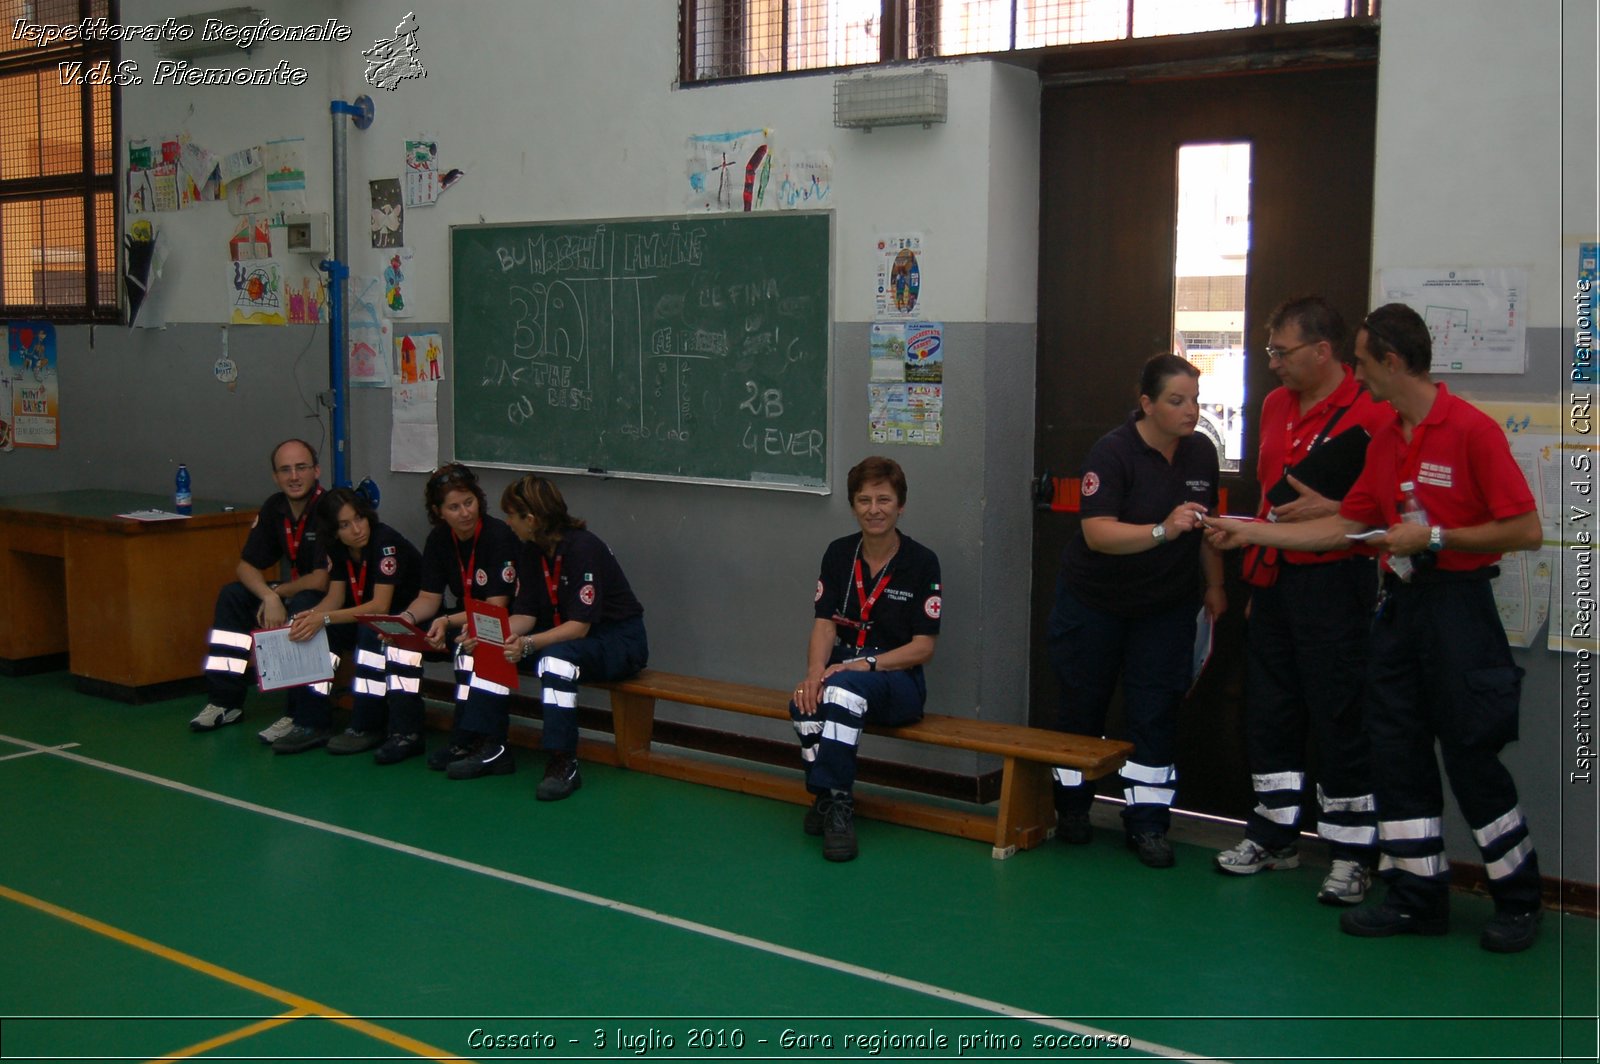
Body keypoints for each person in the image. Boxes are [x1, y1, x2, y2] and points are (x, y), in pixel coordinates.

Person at [1204, 303, 1544, 953]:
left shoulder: (1469, 430)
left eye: (1361, 362)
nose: (1355, 375)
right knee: (1398, 750)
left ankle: (1519, 900)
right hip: (1400, 608)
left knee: (1471, 757)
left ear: (1391, 362)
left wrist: (1436, 535)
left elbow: (1524, 529)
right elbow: (1344, 526)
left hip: (1460, 609)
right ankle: (1418, 896)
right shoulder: (1388, 435)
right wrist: (1250, 532)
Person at [1212, 297, 1390, 907]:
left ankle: (1350, 855)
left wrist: (1341, 511)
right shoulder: (1274, 405)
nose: (1274, 364)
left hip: (1338, 582)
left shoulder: (1373, 410)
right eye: (1269, 351)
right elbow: (1270, 495)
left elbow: (1390, 509)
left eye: (1282, 352)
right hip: (1272, 576)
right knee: (1270, 711)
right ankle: (1273, 836)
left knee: (1340, 718)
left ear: (1323, 351)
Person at [1047, 353, 1226, 869]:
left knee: (1154, 713)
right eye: (1177, 400)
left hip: (1165, 608)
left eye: (1195, 399)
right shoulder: (1112, 453)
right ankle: (1073, 810)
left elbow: (1206, 526)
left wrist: (1215, 584)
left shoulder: (1201, 455)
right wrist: (1161, 530)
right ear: (1146, 404)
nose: (1190, 410)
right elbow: (1097, 534)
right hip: (1095, 604)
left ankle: (1147, 824)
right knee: (1083, 706)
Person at [789, 456, 942, 862]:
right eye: (864, 500)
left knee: (838, 693)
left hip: (897, 681)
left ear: (901, 505)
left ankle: (838, 804)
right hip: (844, 670)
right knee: (804, 701)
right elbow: (824, 624)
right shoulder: (839, 554)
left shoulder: (921, 562)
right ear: (854, 506)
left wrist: (866, 665)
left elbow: (924, 647)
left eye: (884, 500)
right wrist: (813, 674)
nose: (874, 509)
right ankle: (824, 794)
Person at [499, 474, 649, 801]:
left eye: (511, 515)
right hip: (569, 636)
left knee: (555, 662)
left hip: (618, 640)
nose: (508, 522)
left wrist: (528, 644)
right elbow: (525, 615)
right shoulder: (530, 551)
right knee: (489, 648)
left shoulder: (584, 548)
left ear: (532, 519)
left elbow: (580, 626)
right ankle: (487, 744)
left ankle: (562, 761)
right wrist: (496, 635)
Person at [374, 463, 520, 773]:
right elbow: (429, 597)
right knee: (401, 642)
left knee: (469, 648)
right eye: (454, 507)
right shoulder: (439, 539)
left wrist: (446, 621)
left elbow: (495, 605)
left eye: (469, 502)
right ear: (439, 511)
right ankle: (406, 732)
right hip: (459, 616)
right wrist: (406, 618)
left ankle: (465, 739)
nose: (465, 513)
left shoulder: (498, 535)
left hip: (499, 622)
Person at [268, 488, 423, 755]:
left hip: (404, 620)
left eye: (359, 518)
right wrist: (313, 617)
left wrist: (325, 617)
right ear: (333, 531)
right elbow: (336, 597)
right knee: (314, 633)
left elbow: (379, 606)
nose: (357, 529)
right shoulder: (338, 548)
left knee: (368, 632)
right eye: (345, 525)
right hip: (365, 618)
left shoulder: (386, 542)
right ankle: (310, 722)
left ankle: (367, 725)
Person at [191, 439, 329, 735]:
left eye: (301, 468)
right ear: (275, 477)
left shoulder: (328, 508)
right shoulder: (274, 507)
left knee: (303, 603)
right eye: (285, 470)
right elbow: (245, 566)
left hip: (327, 597)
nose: (294, 477)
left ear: (316, 471)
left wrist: (277, 594)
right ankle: (224, 702)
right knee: (233, 596)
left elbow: (321, 579)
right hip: (289, 592)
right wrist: (268, 595)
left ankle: (297, 713)